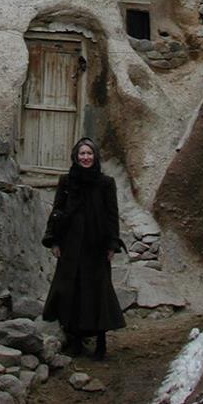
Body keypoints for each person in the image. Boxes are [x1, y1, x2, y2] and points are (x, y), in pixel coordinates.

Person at [41, 137, 126, 359]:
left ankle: (101, 344)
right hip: (70, 245)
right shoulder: (66, 181)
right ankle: (76, 341)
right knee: (72, 290)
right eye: (82, 154)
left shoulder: (106, 183)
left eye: (89, 153)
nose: (85, 157)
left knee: (98, 291)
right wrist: (54, 240)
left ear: (95, 156)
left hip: (96, 245)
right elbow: (57, 210)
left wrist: (112, 244)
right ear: (76, 157)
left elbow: (112, 215)